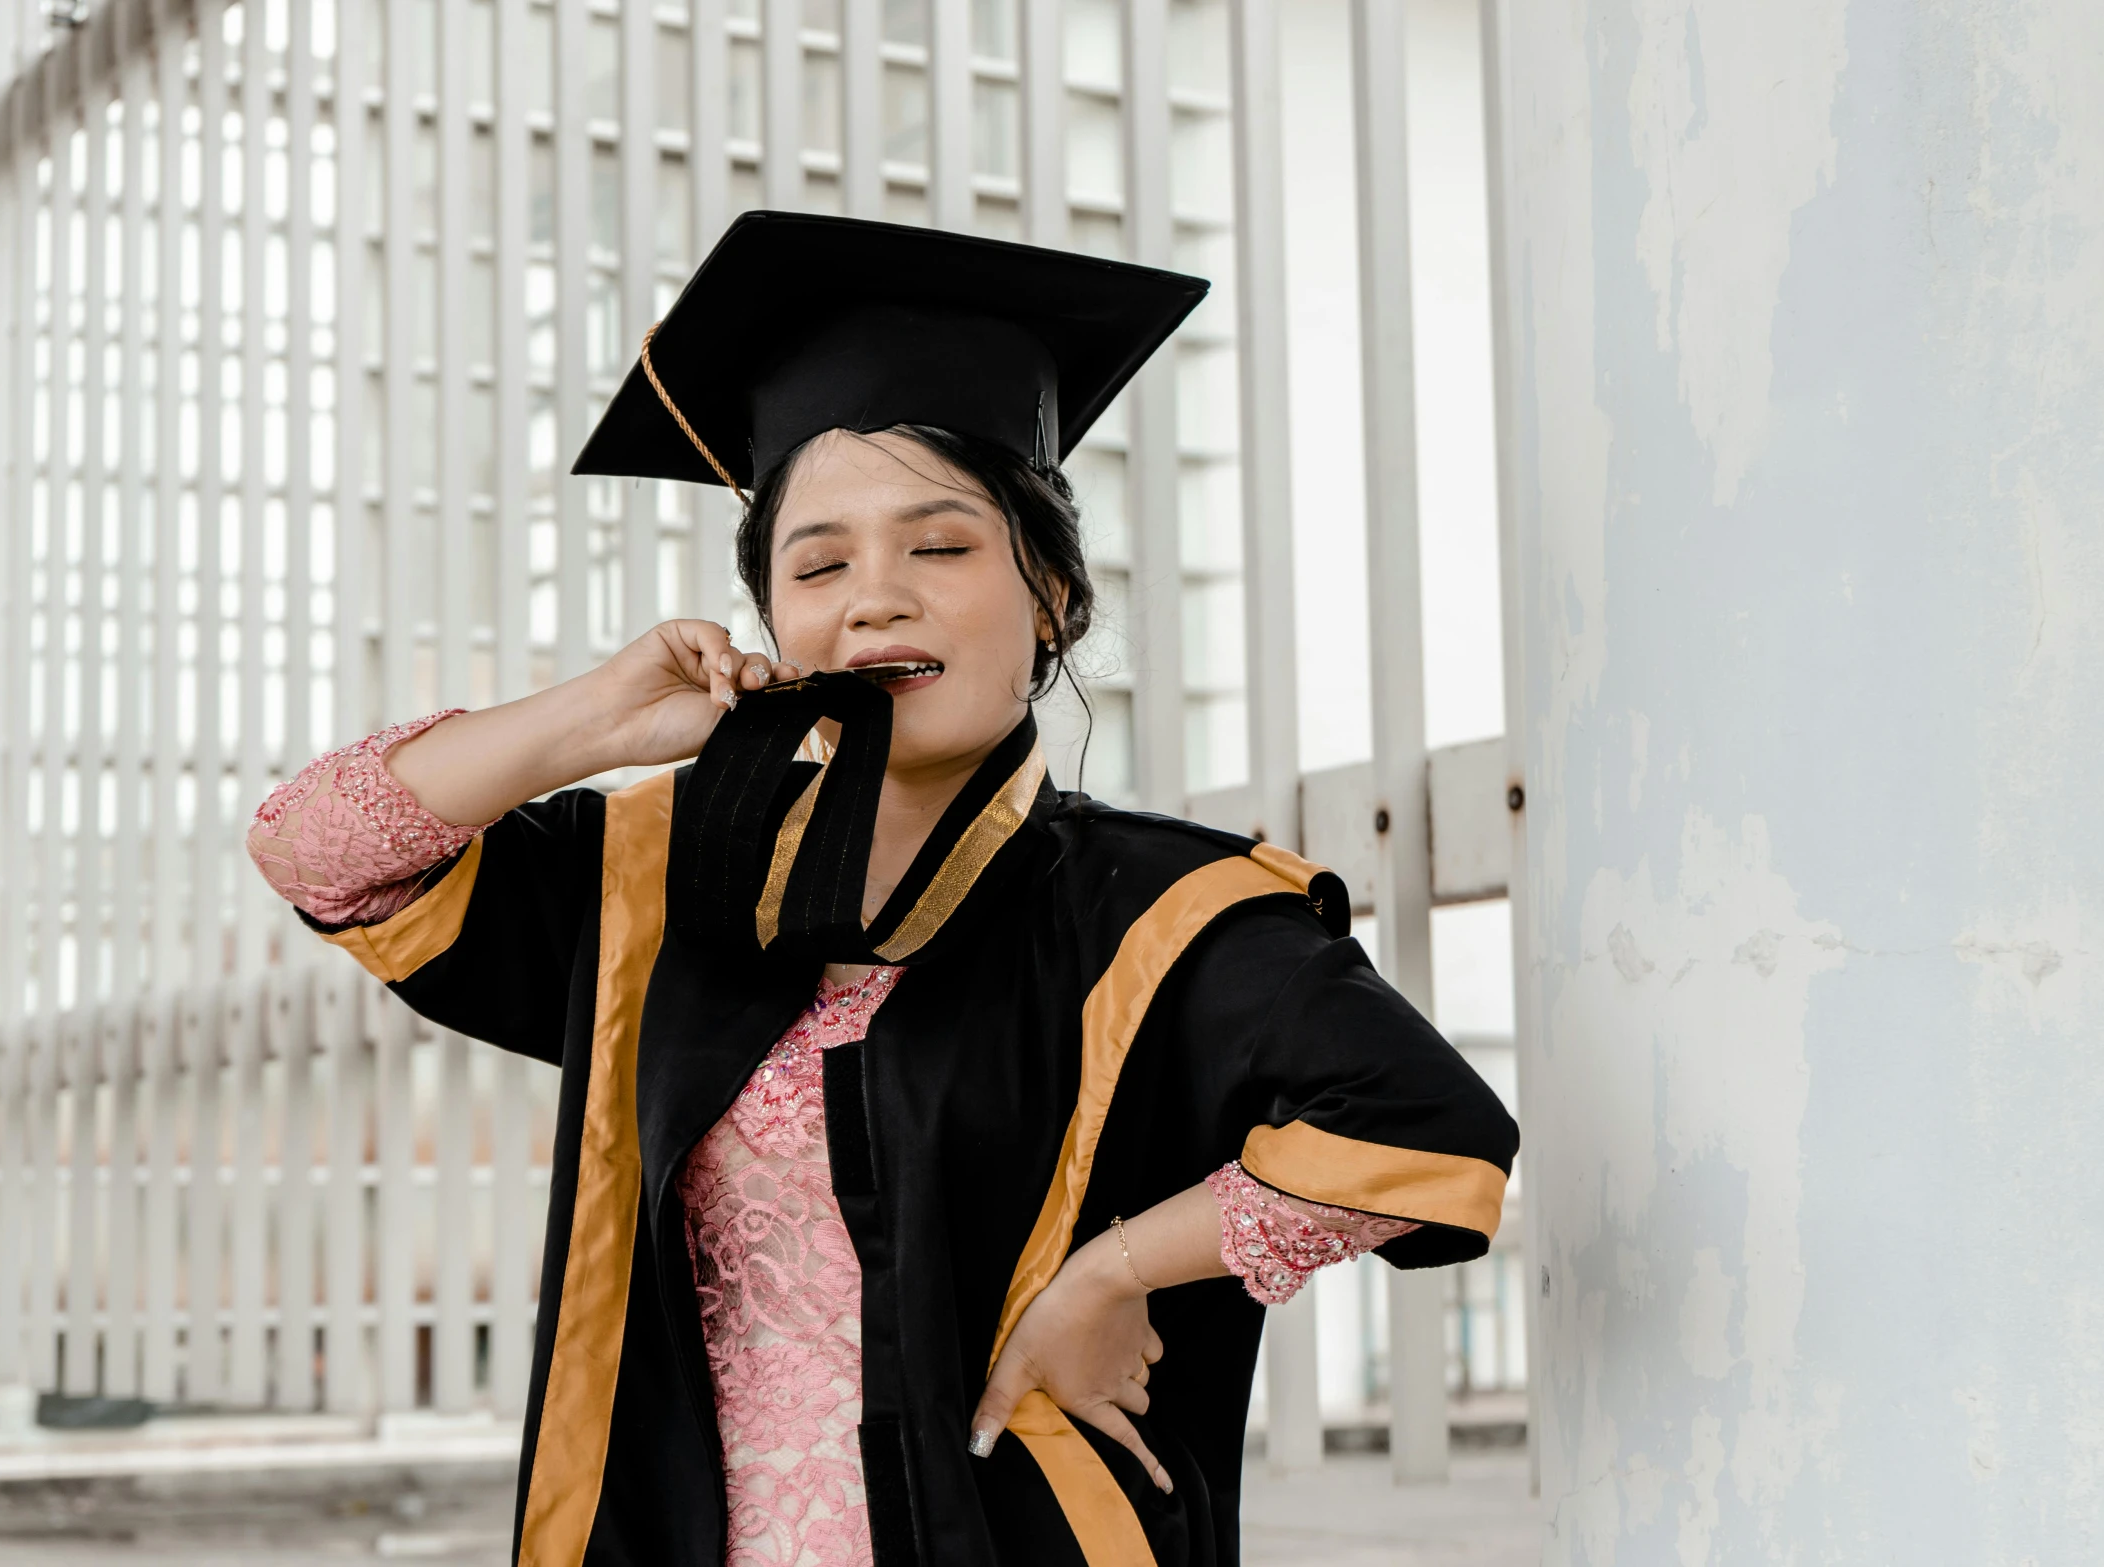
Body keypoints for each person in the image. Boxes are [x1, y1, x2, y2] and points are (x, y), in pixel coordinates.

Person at [246, 211, 1517, 1567]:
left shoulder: (1161, 912)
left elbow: (1433, 1134)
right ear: (777, 621)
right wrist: (594, 719)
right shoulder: (647, 884)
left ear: (1053, 596)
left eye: (942, 546)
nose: (876, 598)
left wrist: (1115, 1270)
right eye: (819, 564)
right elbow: (317, 849)